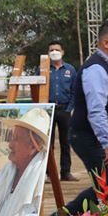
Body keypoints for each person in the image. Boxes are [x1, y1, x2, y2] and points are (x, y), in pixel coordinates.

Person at [45, 22, 108, 216]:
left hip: (97, 137)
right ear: (106, 43)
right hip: (89, 138)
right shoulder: (96, 69)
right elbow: (96, 110)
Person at [0, 108, 51, 216]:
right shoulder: (8, 169)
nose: (10, 145)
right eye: (12, 138)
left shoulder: (37, 179)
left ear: (32, 147)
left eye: (16, 139)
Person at [46, 41, 78, 181]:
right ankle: (48, 173)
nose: (54, 52)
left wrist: (70, 108)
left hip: (64, 109)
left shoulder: (70, 70)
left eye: (57, 49)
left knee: (66, 142)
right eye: (51, 49)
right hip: (48, 110)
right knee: (48, 143)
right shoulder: (43, 69)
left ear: (62, 52)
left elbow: (74, 90)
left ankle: (66, 172)